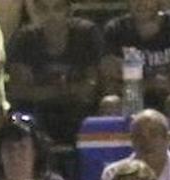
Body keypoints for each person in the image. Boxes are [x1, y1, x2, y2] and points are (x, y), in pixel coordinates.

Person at [99, 0, 170, 151]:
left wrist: (136, 80)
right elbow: (109, 82)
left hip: (168, 98)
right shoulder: (115, 30)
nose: (141, 3)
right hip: (130, 98)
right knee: (110, 103)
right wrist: (156, 82)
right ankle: (113, 165)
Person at [6, 0, 102, 146]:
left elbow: (91, 88)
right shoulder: (24, 38)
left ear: (69, 11)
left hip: (80, 110)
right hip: (37, 111)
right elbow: (19, 91)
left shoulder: (87, 34)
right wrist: (67, 90)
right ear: (36, 12)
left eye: (57, 9)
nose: (51, 15)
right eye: (44, 9)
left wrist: (43, 91)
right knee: (18, 119)